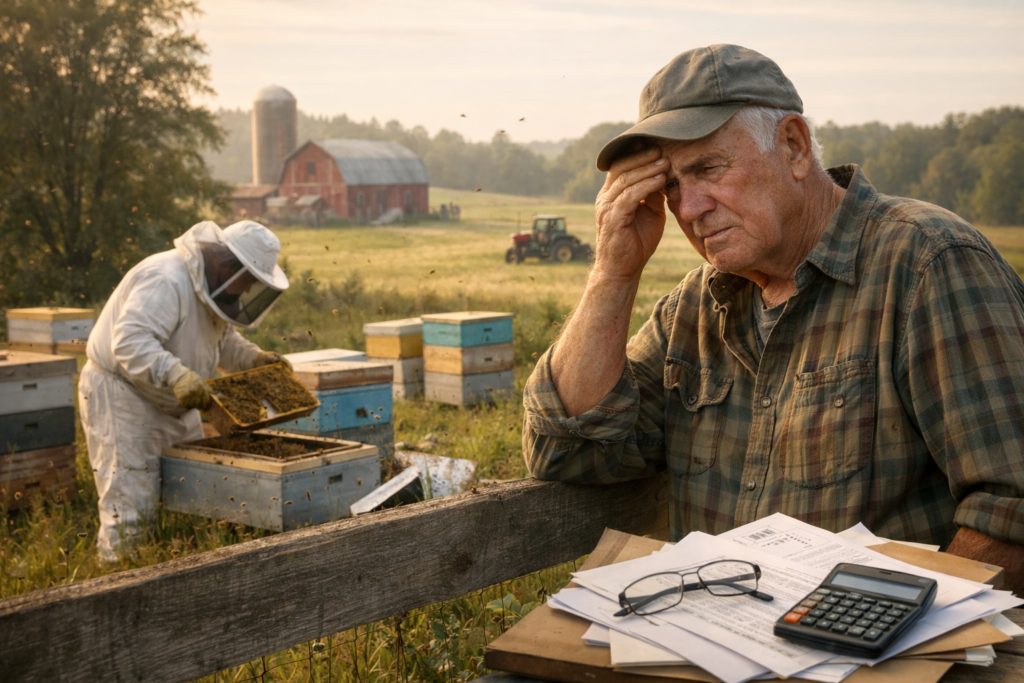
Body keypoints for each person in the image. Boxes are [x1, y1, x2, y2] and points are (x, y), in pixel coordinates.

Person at [522, 44, 1024, 595]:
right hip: (711, 640)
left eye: (708, 169)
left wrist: (876, 629)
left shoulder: (928, 263)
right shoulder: (692, 310)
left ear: (793, 147)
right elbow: (565, 450)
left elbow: (1011, 508)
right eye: (670, 185)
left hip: (872, 659)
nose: (688, 209)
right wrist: (613, 274)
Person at [80, 220, 291, 562]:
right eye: (248, 280)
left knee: (191, 491)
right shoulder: (167, 278)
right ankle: (115, 583)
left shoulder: (213, 287)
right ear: (227, 264)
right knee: (131, 505)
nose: (248, 289)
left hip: (173, 400)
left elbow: (220, 341)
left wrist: (255, 359)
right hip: (125, 396)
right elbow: (130, 341)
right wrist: (177, 374)